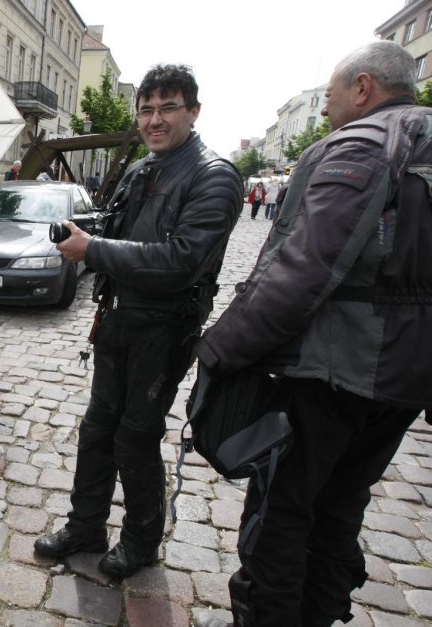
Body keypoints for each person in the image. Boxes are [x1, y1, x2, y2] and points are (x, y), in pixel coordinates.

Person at [195, 41, 432, 627]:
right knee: (340, 512)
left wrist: (221, 348)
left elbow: (301, 269)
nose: (324, 112)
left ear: (363, 88)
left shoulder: (363, 146)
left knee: (284, 516)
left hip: (334, 370)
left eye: (328, 97)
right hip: (406, 380)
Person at [33, 64, 242, 579]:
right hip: (119, 318)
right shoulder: (143, 168)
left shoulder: (214, 175)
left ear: (193, 112)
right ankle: (85, 526)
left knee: (136, 436)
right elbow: (122, 224)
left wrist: (94, 248)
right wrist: (85, 231)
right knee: (97, 428)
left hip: (165, 328)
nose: (155, 119)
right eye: (146, 109)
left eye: (167, 108)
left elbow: (181, 260)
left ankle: (143, 541)